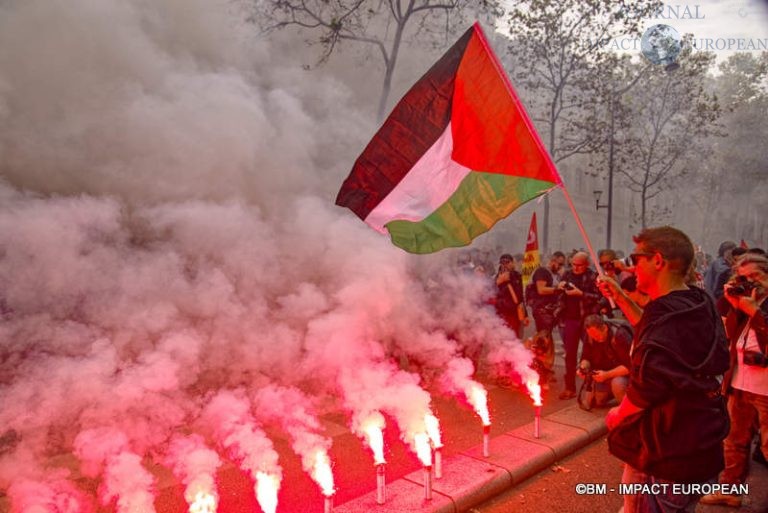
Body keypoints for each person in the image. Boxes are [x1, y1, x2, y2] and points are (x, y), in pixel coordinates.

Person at [597, 226, 730, 513]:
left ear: (657, 260)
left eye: (636, 258)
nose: (632, 267)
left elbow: (647, 387)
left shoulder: (665, 317)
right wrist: (620, 296)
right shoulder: (697, 302)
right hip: (701, 445)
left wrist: (618, 415)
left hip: (667, 455)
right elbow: (655, 331)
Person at [700, 253, 768, 508]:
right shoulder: (746, 302)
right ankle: (730, 490)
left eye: (755, 277)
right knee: (733, 441)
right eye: (744, 278)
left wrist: (755, 311)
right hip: (741, 381)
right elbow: (730, 336)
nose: (751, 283)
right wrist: (734, 304)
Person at [557, 251, 600, 400]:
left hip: (587, 319)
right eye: (573, 265)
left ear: (586, 265)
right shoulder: (567, 274)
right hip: (570, 319)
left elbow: (599, 298)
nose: (575, 268)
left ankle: (592, 388)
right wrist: (561, 287)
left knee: (591, 354)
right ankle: (570, 388)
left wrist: (581, 294)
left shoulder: (593, 276)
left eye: (579, 265)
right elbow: (559, 295)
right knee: (570, 355)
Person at [579, 314, 632, 406]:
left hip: (625, 376)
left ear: (605, 328)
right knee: (595, 402)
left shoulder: (619, 335)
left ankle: (627, 409)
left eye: (596, 335)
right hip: (604, 374)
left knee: (618, 384)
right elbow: (585, 357)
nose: (594, 338)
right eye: (591, 335)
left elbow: (629, 366)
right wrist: (583, 367)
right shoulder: (590, 336)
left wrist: (607, 375)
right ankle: (613, 393)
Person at [526, 251, 566, 333]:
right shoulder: (542, 271)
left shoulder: (555, 274)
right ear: (553, 261)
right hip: (541, 309)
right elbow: (541, 290)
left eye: (562, 265)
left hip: (550, 309)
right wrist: (557, 289)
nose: (560, 267)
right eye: (560, 264)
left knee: (547, 335)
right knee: (543, 336)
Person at [494, 253, 529, 338]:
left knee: (516, 337)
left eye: (508, 262)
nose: (505, 265)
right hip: (502, 312)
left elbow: (520, 296)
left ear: (512, 263)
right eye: (503, 263)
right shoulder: (496, 278)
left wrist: (525, 315)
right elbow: (490, 292)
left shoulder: (517, 276)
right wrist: (499, 281)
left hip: (515, 313)